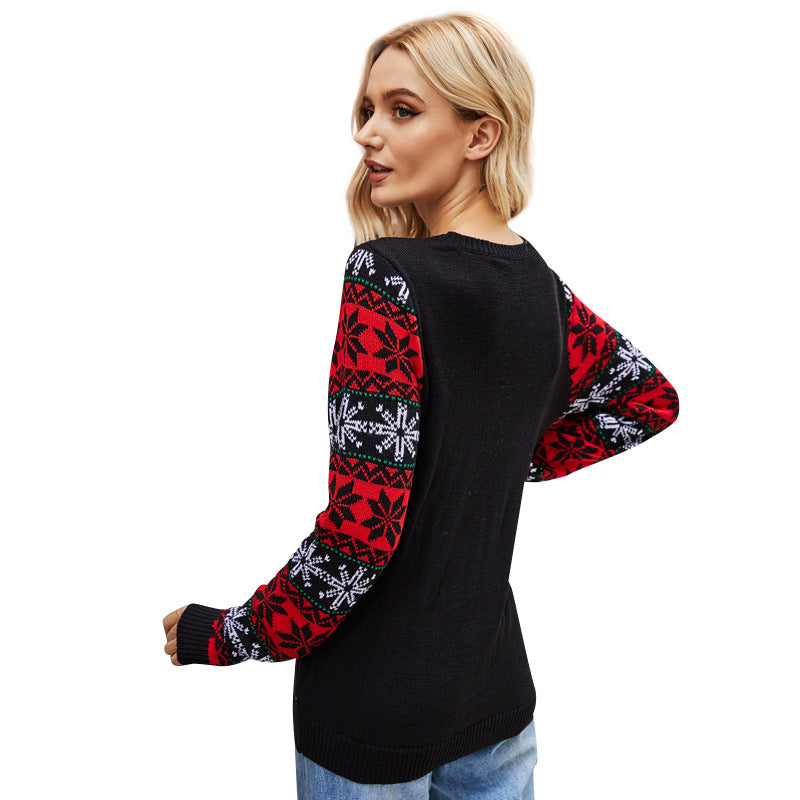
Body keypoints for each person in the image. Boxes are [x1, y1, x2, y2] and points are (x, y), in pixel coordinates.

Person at [162, 12, 679, 799]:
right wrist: (503, 458)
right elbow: (647, 398)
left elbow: (360, 537)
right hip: (496, 697)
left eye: (402, 111)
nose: (368, 134)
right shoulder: (543, 291)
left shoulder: (389, 277)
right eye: (367, 109)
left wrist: (228, 633)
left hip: (374, 709)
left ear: (481, 135)